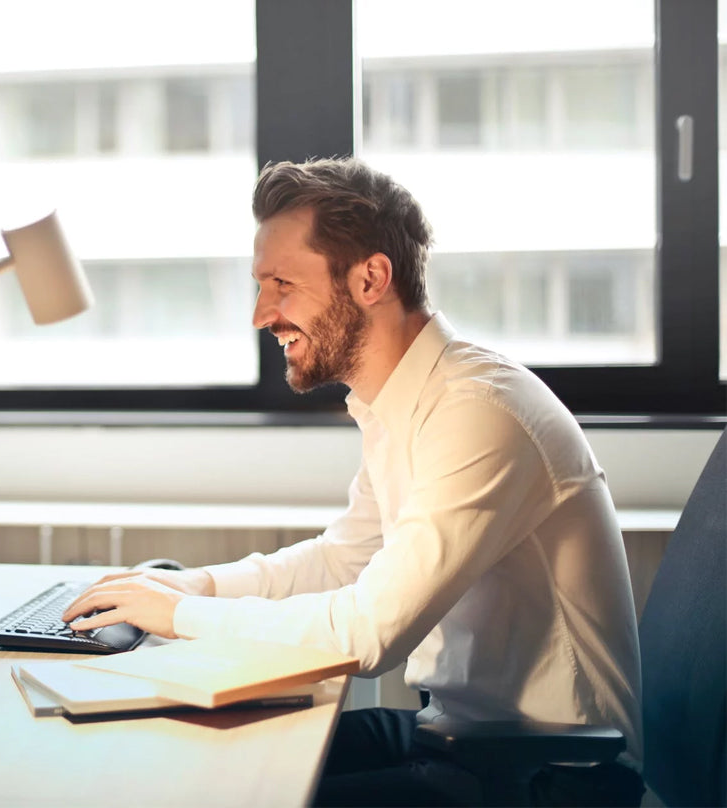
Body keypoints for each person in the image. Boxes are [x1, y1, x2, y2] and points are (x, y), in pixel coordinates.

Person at [62, 157, 645, 806]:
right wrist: (196, 585)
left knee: (229, 791)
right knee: (194, 758)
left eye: (281, 283)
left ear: (371, 278)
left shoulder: (480, 413)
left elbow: (370, 634)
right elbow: (345, 560)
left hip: (552, 777)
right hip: (462, 739)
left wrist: (181, 616)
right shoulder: (403, 401)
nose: (261, 314)